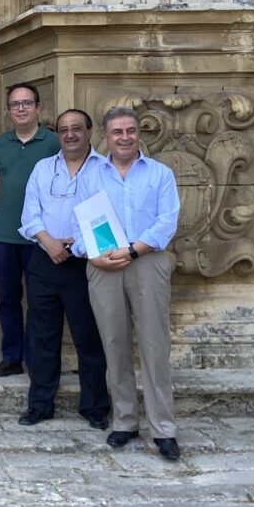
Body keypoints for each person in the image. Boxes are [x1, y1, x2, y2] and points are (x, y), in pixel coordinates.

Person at [71, 106, 181, 460]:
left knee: (154, 345)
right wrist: (92, 254)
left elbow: (167, 222)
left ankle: (163, 428)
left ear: (139, 133)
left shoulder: (160, 174)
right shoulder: (91, 175)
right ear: (105, 135)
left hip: (147, 262)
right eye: (117, 131)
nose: (124, 137)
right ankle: (124, 421)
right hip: (103, 266)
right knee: (114, 343)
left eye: (130, 130)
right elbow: (80, 222)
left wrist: (133, 250)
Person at [16, 109, 110, 429]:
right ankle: (40, 405)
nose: (70, 135)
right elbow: (30, 215)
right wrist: (49, 242)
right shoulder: (43, 169)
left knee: (89, 339)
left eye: (76, 129)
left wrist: (76, 245)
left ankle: (95, 407)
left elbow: (107, 218)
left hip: (86, 263)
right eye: (63, 130)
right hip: (45, 259)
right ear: (58, 134)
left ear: (89, 131)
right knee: (42, 337)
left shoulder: (104, 170)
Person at [0, 83, 59, 377]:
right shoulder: (1, 144)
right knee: (8, 298)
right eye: (15, 104)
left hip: (42, 237)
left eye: (27, 103)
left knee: (41, 301)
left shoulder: (53, 143)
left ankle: (36, 359)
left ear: (38, 108)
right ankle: (12, 357)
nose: (21, 108)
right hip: (5, 235)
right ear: (7, 111)